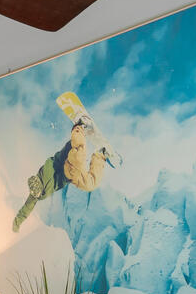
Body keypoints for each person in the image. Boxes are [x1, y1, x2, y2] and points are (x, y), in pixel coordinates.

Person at [12, 97, 120, 232]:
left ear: (38, 182)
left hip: (66, 163)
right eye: (36, 192)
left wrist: (72, 140)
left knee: (79, 155)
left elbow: (58, 158)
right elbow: (25, 209)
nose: (38, 193)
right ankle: (101, 155)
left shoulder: (46, 171)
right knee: (90, 185)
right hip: (70, 177)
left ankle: (80, 126)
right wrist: (16, 224)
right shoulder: (34, 196)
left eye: (37, 190)